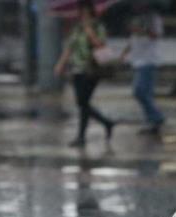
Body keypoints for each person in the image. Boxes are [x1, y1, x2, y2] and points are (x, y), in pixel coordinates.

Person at [54, 0, 116, 147]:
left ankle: (99, 126)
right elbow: (70, 47)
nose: (83, 13)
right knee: (83, 104)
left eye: (86, 10)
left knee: (82, 102)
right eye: (81, 10)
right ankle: (88, 133)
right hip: (77, 69)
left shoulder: (98, 26)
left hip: (92, 69)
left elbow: (102, 46)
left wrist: (90, 33)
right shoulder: (77, 28)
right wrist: (60, 64)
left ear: (91, 11)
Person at [121, 4, 165, 135]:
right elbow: (133, 38)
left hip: (148, 60)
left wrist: (142, 29)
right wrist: (125, 52)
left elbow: (156, 35)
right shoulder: (136, 17)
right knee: (145, 93)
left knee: (139, 91)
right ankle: (152, 122)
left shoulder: (154, 18)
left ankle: (156, 117)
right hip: (137, 60)